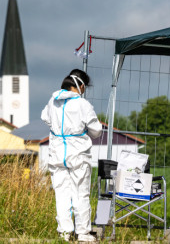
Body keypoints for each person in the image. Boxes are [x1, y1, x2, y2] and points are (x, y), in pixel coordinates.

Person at [41, 69, 102, 242]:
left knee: (61, 194)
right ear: (81, 86)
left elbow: (45, 117)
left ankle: (64, 233)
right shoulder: (82, 104)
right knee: (80, 193)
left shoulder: (53, 101)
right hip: (78, 154)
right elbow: (96, 131)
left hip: (57, 154)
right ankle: (82, 233)